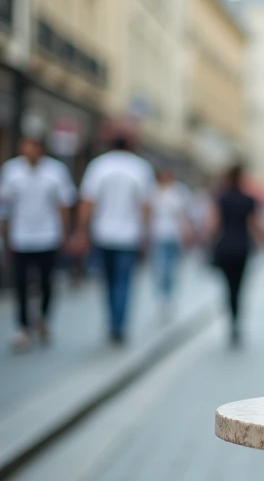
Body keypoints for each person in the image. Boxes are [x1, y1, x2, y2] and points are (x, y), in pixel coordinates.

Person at [0, 118, 77, 350]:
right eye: (25, 144)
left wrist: (65, 234)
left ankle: (43, 318)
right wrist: (5, 235)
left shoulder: (56, 171)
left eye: (33, 145)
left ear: (41, 148)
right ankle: (23, 327)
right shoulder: (12, 170)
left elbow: (64, 205)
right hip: (20, 237)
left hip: (47, 236)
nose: (29, 150)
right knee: (20, 284)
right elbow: (5, 206)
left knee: (45, 282)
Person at [71, 133, 155, 346]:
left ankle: (112, 322)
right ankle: (119, 324)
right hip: (129, 236)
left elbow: (87, 202)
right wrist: (146, 233)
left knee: (108, 281)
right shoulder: (140, 167)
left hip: (103, 233)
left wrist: (82, 231)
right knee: (124, 281)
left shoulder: (99, 166)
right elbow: (146, 205)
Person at [209, 162, 263, 347]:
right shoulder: (248, 200)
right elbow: (255, 225)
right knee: (239, 287)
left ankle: (231, 320)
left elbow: (213, 225)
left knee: (228, 287)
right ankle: (236, 320)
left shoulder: (221, 198)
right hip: (242, 247)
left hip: (225, 247)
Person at [148, 168, 193, 316]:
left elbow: (182, 215)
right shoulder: (154, 192)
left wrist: (186, 232)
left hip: (173, 236)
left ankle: (169, 296)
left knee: (171, 268)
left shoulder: (178, 192)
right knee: (160, 267)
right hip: (158, 236)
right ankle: (161, 296)